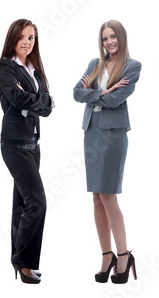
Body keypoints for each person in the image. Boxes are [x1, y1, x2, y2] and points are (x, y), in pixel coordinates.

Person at [72, 19, 140, 284]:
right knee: (96, 197)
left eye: (113, 37)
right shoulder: (94, 64)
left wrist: (99, 92)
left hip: (112, 135)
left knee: (108, 195)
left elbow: (115, 99)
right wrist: (104, 89)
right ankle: (106, 255)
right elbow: (76, 93)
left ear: (121, 38)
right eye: (104, 38)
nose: (109, 42)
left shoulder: (132, 67)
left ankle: (124, 255)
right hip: (92, 131)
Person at [0, 19, 53, 285]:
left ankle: (22, 261)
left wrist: (39, 101)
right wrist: (38, 101)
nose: (27, 42)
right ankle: (22, 261)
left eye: (31, 38)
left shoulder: (35, 69)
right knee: (38, 201)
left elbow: (48, 105)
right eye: (22, 37)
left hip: (34, 143)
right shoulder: (6, 66)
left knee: (22, 203)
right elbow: (16, 100)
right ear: (13, 39)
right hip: (14, 143)